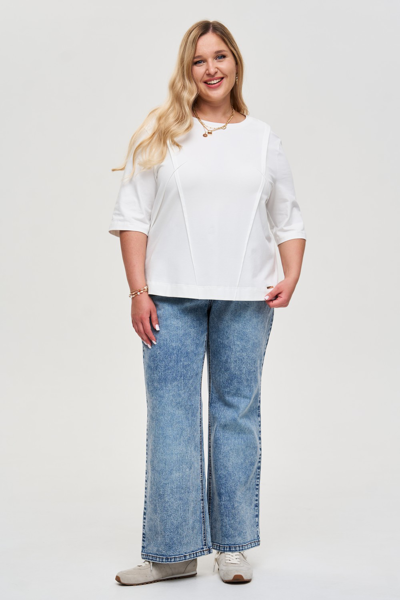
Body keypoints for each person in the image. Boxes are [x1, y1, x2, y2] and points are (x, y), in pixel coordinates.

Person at [108, 20, 306, 586]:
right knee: (171, 417)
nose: (211, 69)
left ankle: (233, 547)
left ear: (236, 63)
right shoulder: (162, 131)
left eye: (220, 57)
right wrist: (139, 291)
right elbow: (132, 216)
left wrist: (291, 274)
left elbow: (288, 217)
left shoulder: (263, 138)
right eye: (199, 60)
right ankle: (172, 553)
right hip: (170, 298)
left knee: (235, 413)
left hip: (246, 296)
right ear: (186, 70)